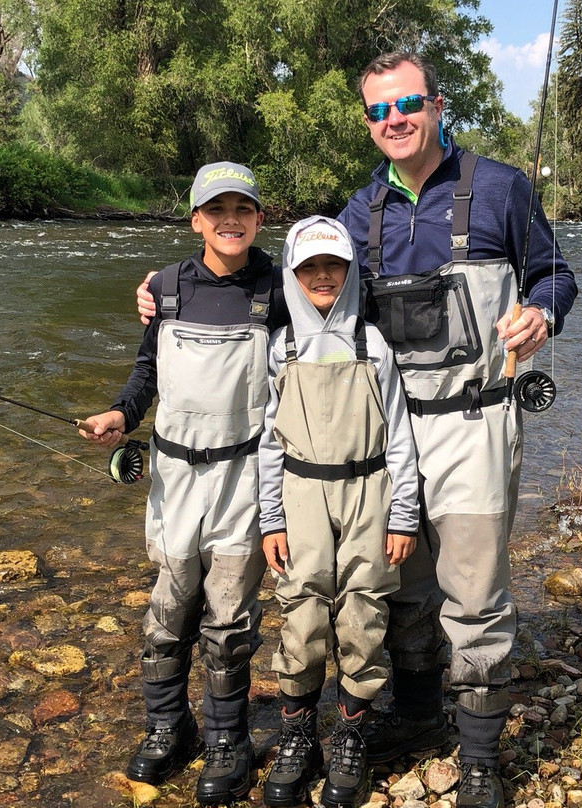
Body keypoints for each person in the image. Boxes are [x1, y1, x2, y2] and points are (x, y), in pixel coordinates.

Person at [137, 53, 577, 808]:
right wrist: (176, 290)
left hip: (475, 422)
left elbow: (555, 273)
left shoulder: (502, 187)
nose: (394, 120)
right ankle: (412, 715)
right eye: (379, 111)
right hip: (382, 439)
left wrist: (543, 312)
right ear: (368, 122)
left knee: (472, 594)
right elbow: (301, 292)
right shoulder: (358, 210)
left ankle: (476, 761)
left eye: (407, 104)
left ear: (437, 103)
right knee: (394, 587)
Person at [81, 161, 288, 804]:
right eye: (217, 210)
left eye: (243, 210)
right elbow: (147, 373)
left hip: (244, 479)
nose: (231, 221)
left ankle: (227, 738)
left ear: (258, 218)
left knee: (230, 619)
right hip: (173, 478)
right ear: (196, 220)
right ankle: (169, 727)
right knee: (167, 612)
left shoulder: (281, 288)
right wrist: (120, 413)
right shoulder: (166, 289)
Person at [257, 216, 419, 808]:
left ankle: (349, 734)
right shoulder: (281, 346)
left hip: (369, 492)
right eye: (309, 268)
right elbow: (267, 442)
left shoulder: (371, 344)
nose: (322, 277)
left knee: (363, 612)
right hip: (299, 493)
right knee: (300, 611)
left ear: (350, 273)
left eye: (334, 266)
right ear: (292, 275)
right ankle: (298, 733)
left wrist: (404, 515)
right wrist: (269, 517)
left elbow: (400, 438)